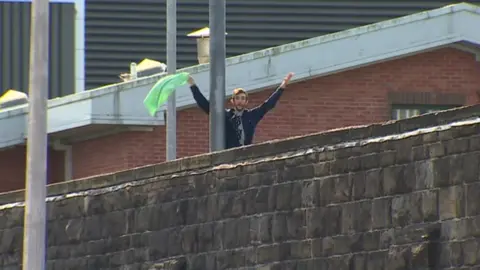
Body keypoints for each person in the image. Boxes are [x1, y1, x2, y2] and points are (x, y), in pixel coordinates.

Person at [188, 72, 294, 149]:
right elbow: (205, 105)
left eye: (243, 99)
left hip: (246, 154)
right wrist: (193, 86)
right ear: (233, 101)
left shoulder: (251, 116)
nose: (240, 101)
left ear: (246, 102)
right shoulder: (225, 116)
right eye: (237, 99)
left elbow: (268, 105)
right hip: (228, 154)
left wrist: (282, 86)